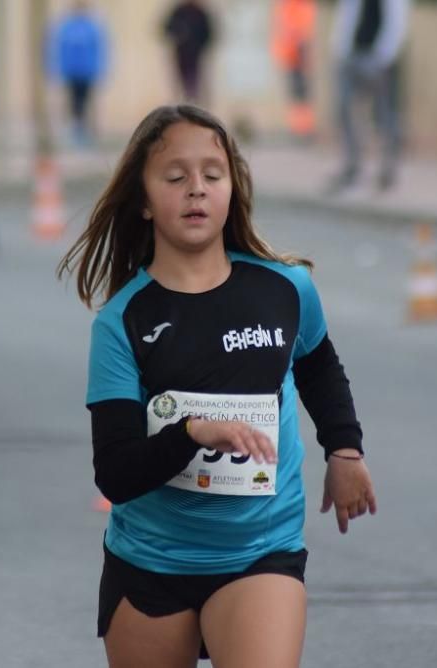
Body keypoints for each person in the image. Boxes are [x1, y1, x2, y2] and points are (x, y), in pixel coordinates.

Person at [57, 104, 377, 667]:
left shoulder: (285, 289)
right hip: (151, 564)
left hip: (260, 554)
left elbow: (319, 367)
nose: (196, 190)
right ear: (144, 200)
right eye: (175, 178)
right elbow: (115, 472)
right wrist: (193, 433)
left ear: (233, 189)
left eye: (213, 174)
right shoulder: (121, 323)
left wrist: (345, 450)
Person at [326, 0, 410, 193]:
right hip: (351, 54)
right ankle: (352, 165)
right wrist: (340, 49)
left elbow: (397, 21)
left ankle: (387, 169)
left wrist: (384, 56)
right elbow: (346, 16)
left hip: (379, 57)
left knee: (385, 114)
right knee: (344, 109)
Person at [49, 0, 109, 147]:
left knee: (86, 102)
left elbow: (99, 49)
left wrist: (100, 69)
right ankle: (76, 132)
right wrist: (57, 69)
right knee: (74, 103)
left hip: (87, 72)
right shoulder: (66, 27)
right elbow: (59, 50)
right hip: (72, 72)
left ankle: (88, 132)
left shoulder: (92, 27)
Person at [271, 0, 318, 140]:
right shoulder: (288, 4)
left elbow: (301, 31)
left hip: (298, 55)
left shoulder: (300, 5)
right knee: (296, 95)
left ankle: (304, 130)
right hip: (291, 55)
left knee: (301, 95)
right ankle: (298, 128)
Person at [163, 1, 214, 103]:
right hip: (181, 54)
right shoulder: (179, 11)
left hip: (196, 56)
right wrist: (178, 35)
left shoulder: (199, 12)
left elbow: (208, 34)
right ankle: (182, 103)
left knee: (194, 84)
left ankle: (193, 102)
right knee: (180, 83)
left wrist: (200, 46)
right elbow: (167, 29)